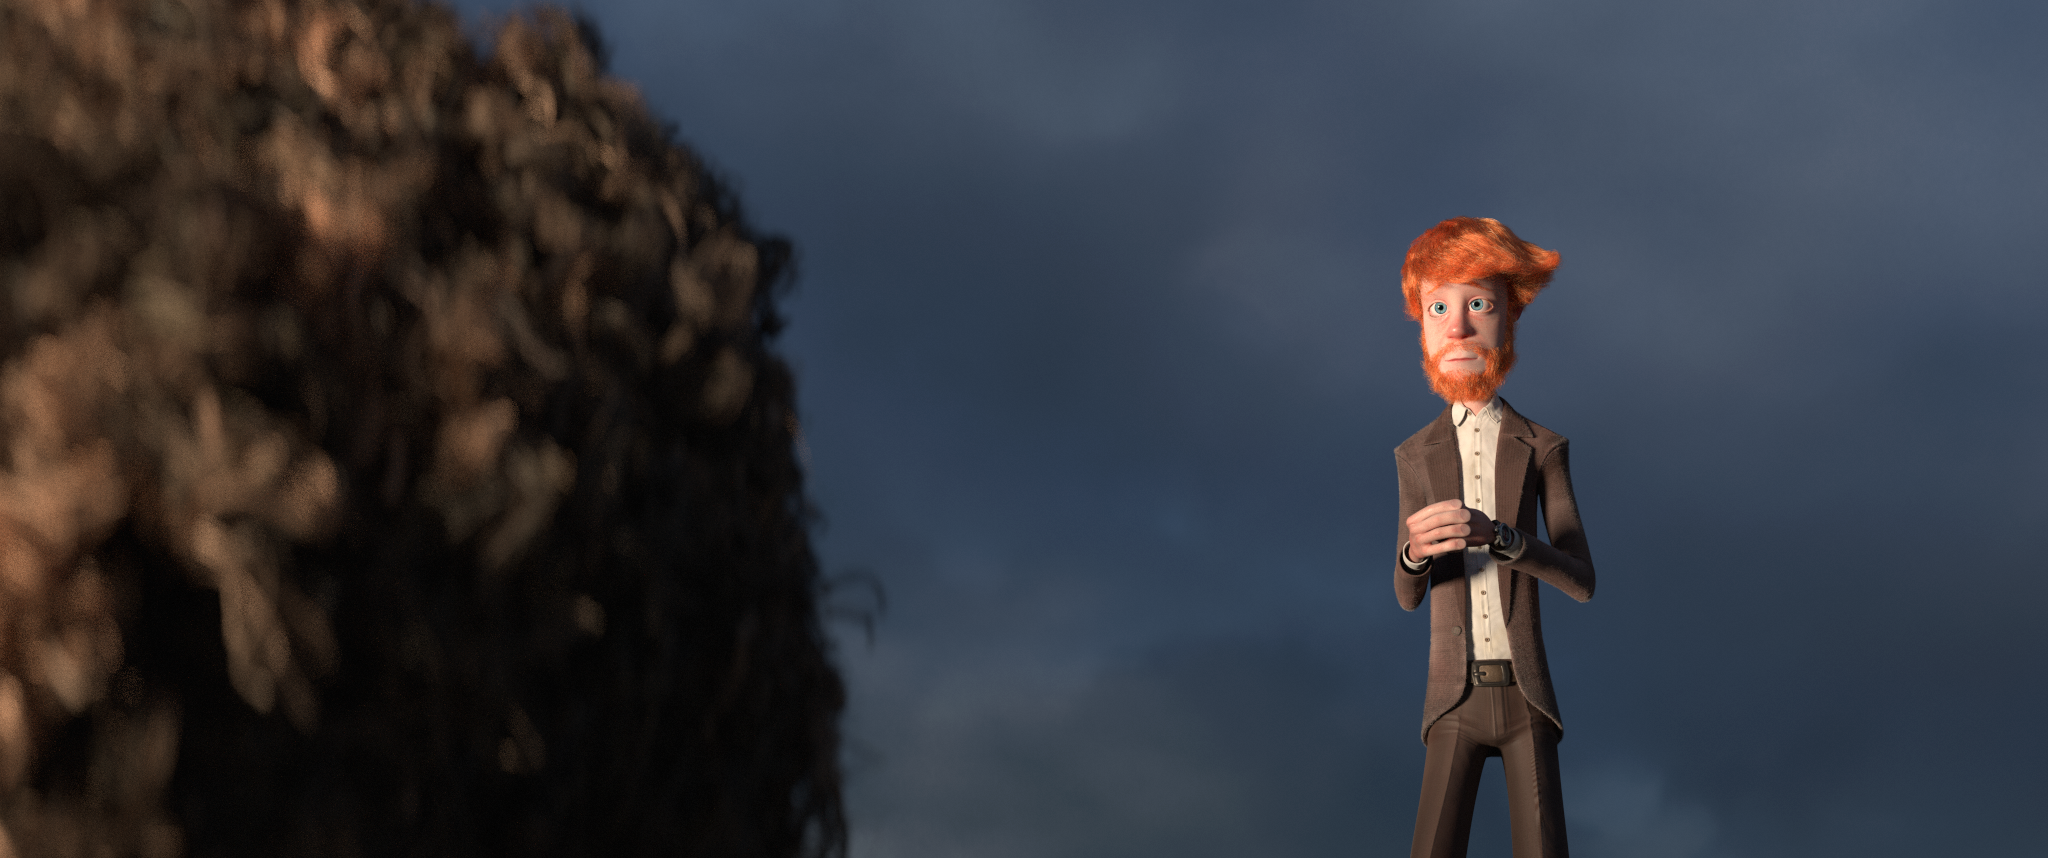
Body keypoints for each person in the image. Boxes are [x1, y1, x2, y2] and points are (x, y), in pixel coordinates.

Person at [1392, 217, 1596, 858]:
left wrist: (1505, 539)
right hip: (1451, 700)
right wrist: (1414, 553)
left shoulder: (1543, 447)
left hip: (1525, 695)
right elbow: (1406, 594)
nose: (1457, 327)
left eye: (1478, 305)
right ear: (1422, 326)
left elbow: (1581, 580)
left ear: (1509, 319)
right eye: (1439, 308)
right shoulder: (1414, 454)